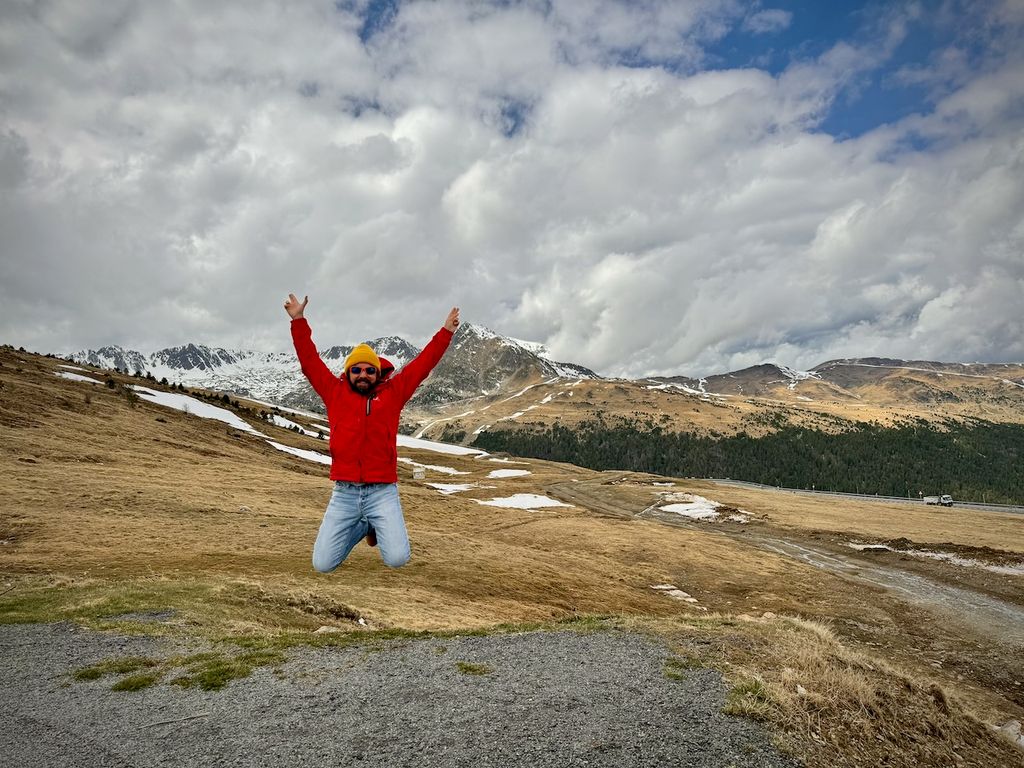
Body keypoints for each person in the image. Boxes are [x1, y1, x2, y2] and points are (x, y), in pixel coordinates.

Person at [284, 293, 459, 571]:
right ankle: (364, 524)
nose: (363, 374)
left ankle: (371, 522)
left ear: (378, 373)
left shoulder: (393, 393)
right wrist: (298, 320)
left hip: (382, 491)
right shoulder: (333, 392)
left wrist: (445, 332)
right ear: (348, 372)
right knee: (322, 564)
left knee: (397, 559)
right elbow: (309, 361)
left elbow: (423, 365)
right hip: (345, 492)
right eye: (357, 370)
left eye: (369, 370)